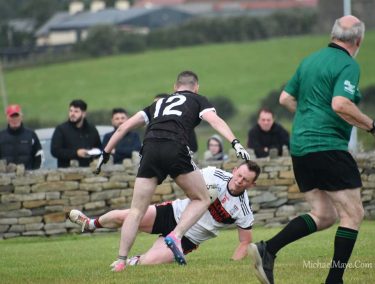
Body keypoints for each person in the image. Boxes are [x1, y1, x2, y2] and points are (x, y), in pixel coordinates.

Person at [248, 15, 375, 284]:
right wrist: (373, 127)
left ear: (333, 35)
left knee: (324, 215)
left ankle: (269, 249)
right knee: (353, 213)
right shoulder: (348, 64)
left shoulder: (310, 60)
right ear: (358, 40)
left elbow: (285, 98)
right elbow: (340, 104)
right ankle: (334, 280)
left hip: (300, 147)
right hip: (327, 146)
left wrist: (310, 114)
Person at [96, 70, 250, 271]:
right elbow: (214, 120)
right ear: (196, 87)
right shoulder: (198, 100)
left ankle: (121, 260)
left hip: (149, 148)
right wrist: (235, 142)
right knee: (202, 198)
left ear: (174, 87)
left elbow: (123, 128)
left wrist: (105, 153)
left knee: (136, 210)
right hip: (175, 147)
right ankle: (176, 236)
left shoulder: (157, 104)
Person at [69, 161, 260, 265]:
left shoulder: (243, 209)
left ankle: (132, 261)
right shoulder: (213, 174)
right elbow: (188, 182)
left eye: (246, 180)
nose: (239, 180)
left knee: (149, 262)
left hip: (188, 238)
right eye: (239, 175)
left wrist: (232, 263)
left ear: (252, 185)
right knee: (125, 216)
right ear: (234, 170)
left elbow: (245, 241)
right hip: (172, 213)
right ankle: (91, 224)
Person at [51, 99, 102, 168]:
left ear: (84, 114)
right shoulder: (61, 129)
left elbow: (99, 148)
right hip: (67, 172)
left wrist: (92, 152)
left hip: (89, 171)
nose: (72, 114)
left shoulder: (92, 129)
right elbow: (55, 151)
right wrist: (76, 153)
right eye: (71, 111)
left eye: (76, 111)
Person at [0, 104, 43, 170]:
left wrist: (34, 172)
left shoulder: (31, 134)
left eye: (17, 116)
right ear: (7, 118)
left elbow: (39, 154)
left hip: (28, 177)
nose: (15, 119)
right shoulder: (1, 136)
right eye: (12, 116)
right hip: (6, 178)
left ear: (21, 117)